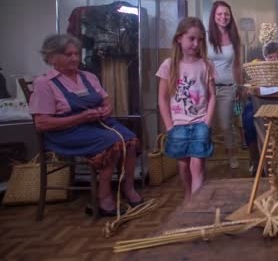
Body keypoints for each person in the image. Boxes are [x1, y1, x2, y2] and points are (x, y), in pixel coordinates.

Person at [29, 35, 142, 216]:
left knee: (131, 139)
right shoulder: (44, 83)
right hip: (67, 132)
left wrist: (106, 109)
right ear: (52, 57)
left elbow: (106, 100)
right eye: (68, 54)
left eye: (76, 53)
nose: (75, 58)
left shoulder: (88, 77)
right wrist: (81, 117)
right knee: (113, 142)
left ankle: (127, 187)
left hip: (97, 124)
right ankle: (102, 196)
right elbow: (42, 124)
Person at [157, 17, 216, 205]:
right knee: (183, 165)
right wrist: (169, 125)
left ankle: (196, 205)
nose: (195, 43)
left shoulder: (206, 65)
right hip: (178, 124)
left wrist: (207, 122)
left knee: (197, 164)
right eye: (191, 38)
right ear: (179, 38)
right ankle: (189, 194)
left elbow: (212, 95)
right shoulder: (169, 65)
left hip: (200, 122)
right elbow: (163, 98)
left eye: (199, 40)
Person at [207, 0, 243, 169]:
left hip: (228, 87)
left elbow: (237, 66)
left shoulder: (235, 38)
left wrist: (240, 87)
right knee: (205, 124)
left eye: (226, 14)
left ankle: (232, 154)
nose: (223, 17)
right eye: (219, 14)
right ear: (214, 17)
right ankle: (203, 157)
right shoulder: (205, 37)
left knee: (225, 124)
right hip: (207, 88)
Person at [241, 41, 278, 176]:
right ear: (265, 58)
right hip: (259, 102)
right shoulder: (258, 70)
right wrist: (249, 90)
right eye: (271, 57)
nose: (275, 61)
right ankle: (254, 159)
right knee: (248, 118)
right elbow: (248, 88)